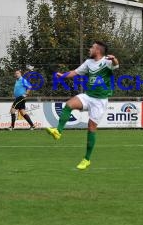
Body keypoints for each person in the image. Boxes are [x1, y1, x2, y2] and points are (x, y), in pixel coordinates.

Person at [45, 41, 119, 170]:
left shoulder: (107, 62)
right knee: (68, 105)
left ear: (98, 50)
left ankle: (86, 159)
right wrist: (63, 75)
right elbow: (76, 72)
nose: (89, 49)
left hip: (100, 101)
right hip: (88, 96)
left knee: (91, 128)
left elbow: (116, 65)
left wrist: (114, 59)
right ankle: (58, 131)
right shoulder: (88, 63)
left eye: (92, 47)